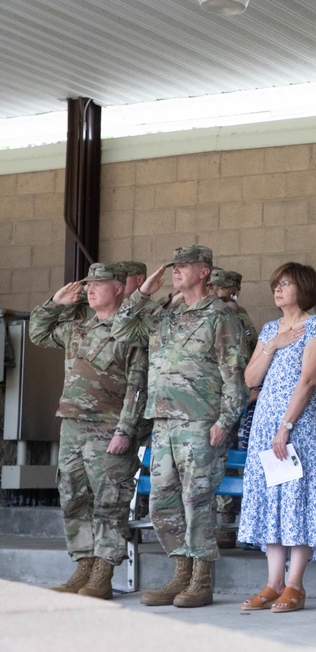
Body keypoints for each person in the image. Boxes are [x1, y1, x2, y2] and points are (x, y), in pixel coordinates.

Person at [111, 245, 248, 609]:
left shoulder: (219, 315)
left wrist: (226, 420)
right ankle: (180, 574)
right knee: (162, 502)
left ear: (204, 272)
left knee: (197, 500)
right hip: (163, 423)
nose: (175, 271)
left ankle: (201, 580)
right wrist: (142, 293)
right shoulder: (163, 313)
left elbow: (234, 374)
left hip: (200, 422)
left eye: (184, 266)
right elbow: (122, 329)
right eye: (174, 266)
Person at [28, 263, 146, 600]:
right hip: (72, 426)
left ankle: (104, 574)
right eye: (88, 284)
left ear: (119, 288)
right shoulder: (78, 325)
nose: (90, 289)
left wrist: (126, 430)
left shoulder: (128, 329)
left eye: (99, 284)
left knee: (109, 500)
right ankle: (83, 565)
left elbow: (138, 385)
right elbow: (38, 332)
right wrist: (55, 301)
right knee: (72, 496)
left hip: (109, 428)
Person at [237, 262, 316, 613]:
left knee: (297, 499)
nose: (278, 289)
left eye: (287, 284)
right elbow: (249, 379)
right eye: (276, 283)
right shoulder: (269, 329)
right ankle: (273, 583)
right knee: (271, 500)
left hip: (296, 426)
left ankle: (295, 585)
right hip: (265, 425)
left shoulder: (315, 326)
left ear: (304, 288)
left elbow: (308, 381)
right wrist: (273, 344)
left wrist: (286, 425)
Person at [207, 267, 258, 549]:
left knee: (231, 462)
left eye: (222, 289)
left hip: (233, 399)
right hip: (208, 399)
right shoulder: (204, 314)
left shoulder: (238, 317)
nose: (216, 293)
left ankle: (228, 525)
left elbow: (249, 359)